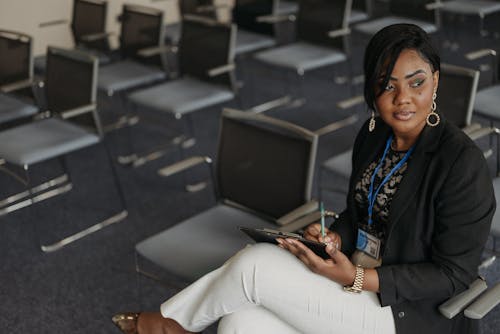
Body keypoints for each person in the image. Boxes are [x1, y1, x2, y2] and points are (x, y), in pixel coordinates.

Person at [111, 23, 495, 334]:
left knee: (256, 265)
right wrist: (335, 236)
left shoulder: (460, 163)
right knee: (239, 325)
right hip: (346, 277)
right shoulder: (373, 135)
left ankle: (167, 326)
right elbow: (359, 213)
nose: (403, 98)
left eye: (417, 82)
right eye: (387, 85)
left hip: (403, 313)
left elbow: (452, 274)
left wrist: (360, 277)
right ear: (372, 89)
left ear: (436, 81)